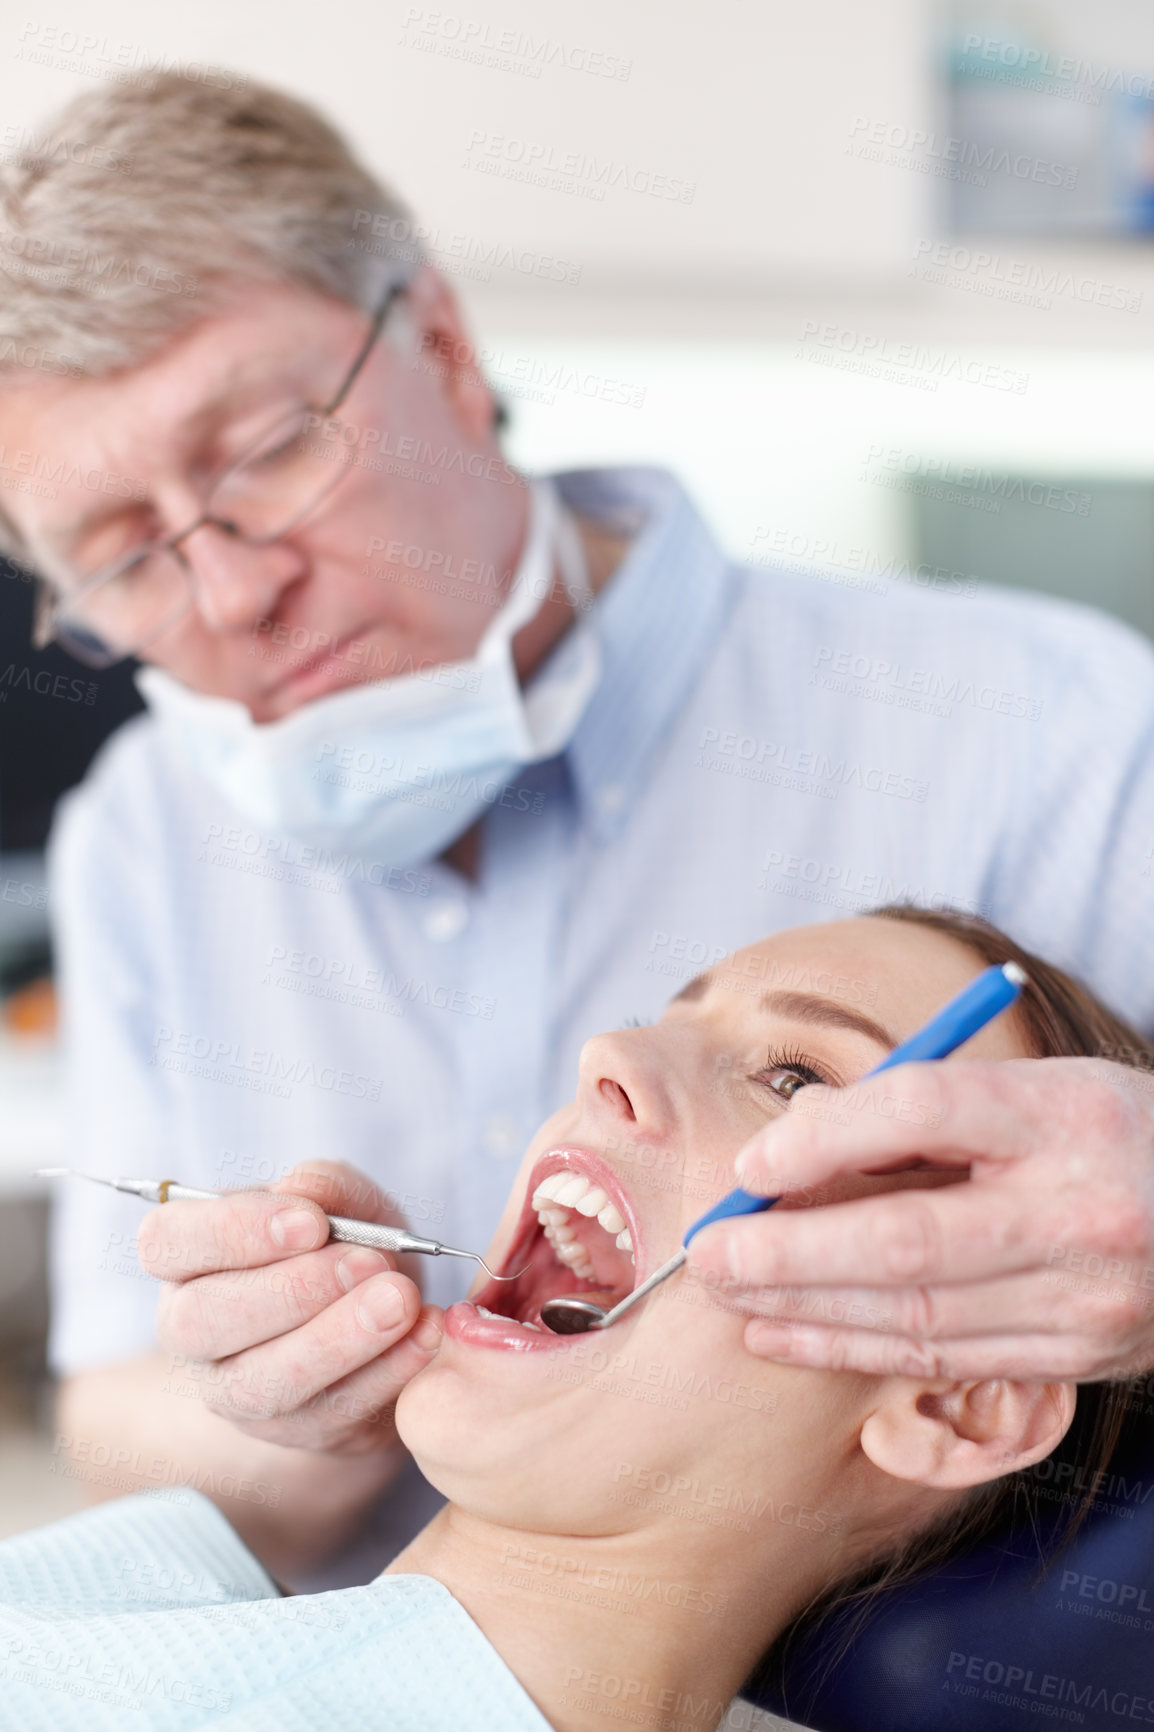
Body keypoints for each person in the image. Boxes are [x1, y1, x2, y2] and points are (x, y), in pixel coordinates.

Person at [1, 70, 1153, 1587]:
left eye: (264, 455)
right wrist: (283, 1418)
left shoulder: (1056, 733)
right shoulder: (147, 833)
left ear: (443, 348)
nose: (226, 595)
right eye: (125, 556)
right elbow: (115, 1411)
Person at [0, 907, 1147, 1732]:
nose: (609, 1053)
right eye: (662, 1020)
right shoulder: (130, 1600)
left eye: (795, 1077)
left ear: (952, 1401)